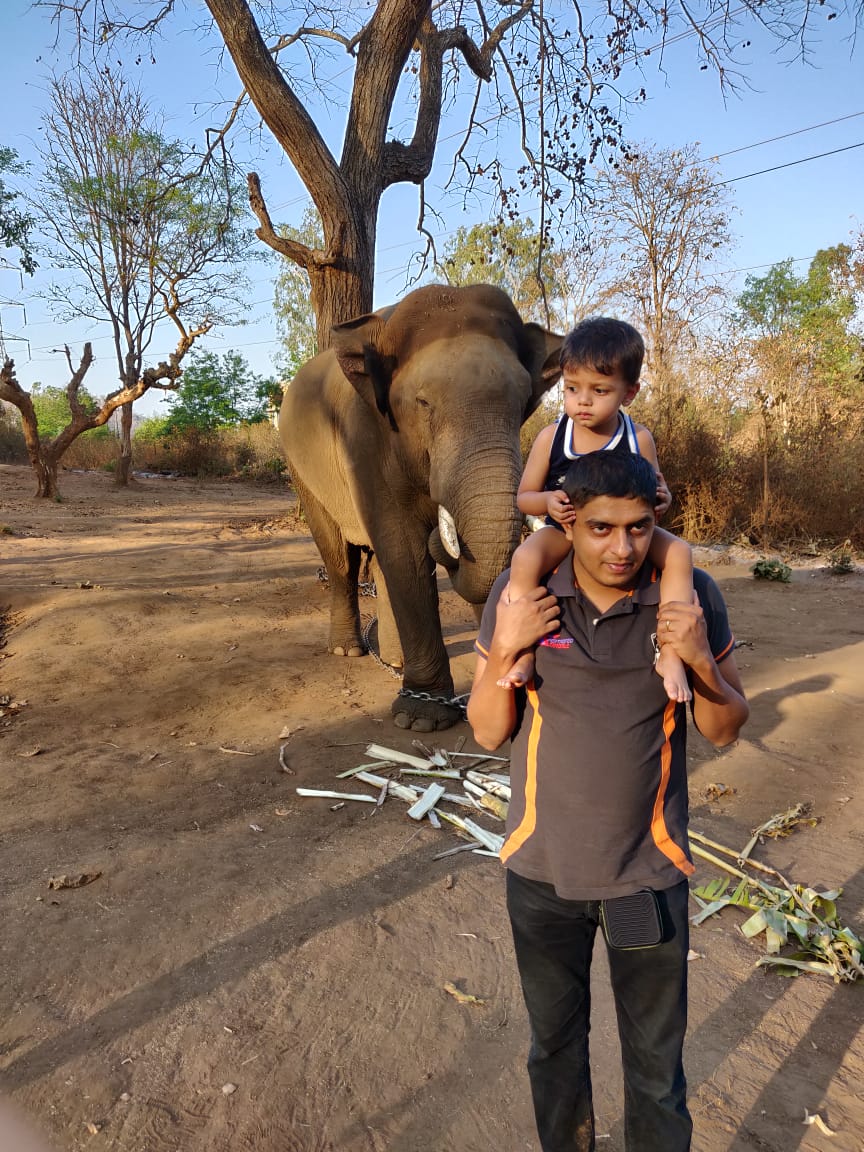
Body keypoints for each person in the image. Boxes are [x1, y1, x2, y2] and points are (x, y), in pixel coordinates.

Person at [467, 450, 749, 1152]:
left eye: (637, 528)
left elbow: (724, 729)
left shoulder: (689, 595)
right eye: (600, 529)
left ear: (657, 520)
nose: (622, 548)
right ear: (568, 522)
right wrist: (505, 650)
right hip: (542, 878)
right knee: (554, 1052)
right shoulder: (525, 592)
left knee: (655, 1071)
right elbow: (488, 731)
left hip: (643, 881)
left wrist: (700, 660)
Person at [502, 316, 693, 703]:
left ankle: (671, 653)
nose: (583, 401)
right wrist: (548, 502)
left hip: (620, 533)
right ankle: (523, 651)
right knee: (524, 558)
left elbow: (656, 494)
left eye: (599, 390)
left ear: (629, 393)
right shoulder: (552, 437)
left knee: (679, 552)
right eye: (572, 388)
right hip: (564, 532)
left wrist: (664, 499)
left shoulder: (638, 439)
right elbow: (524, 497)